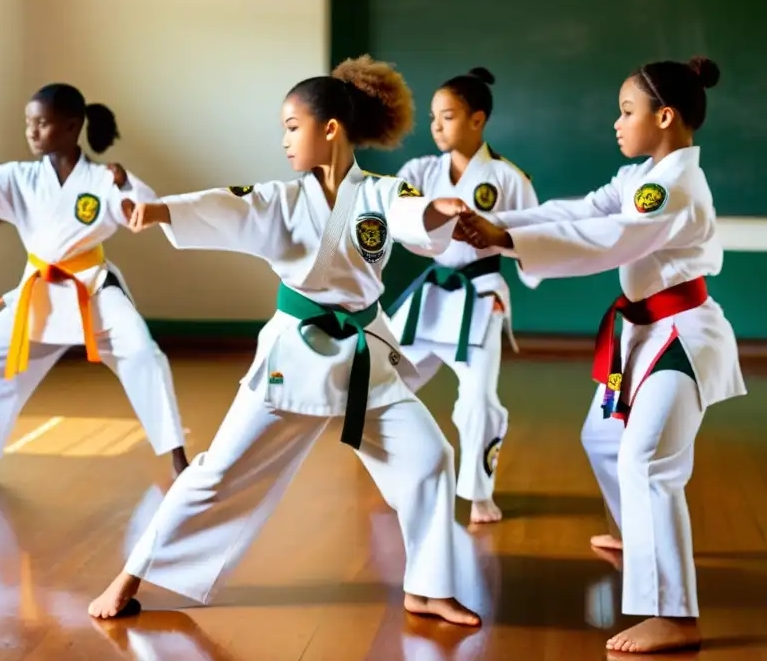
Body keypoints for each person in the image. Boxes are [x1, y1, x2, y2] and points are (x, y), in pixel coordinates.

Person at [88, 56, 481, 628]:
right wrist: (162, 208)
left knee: (428, 456)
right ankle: (130, 574)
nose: (284, 140)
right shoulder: (280, 198)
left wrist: (437, 209)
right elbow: (227, 204)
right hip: (293, 357)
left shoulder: (382, 193)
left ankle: (427, 587)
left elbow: (409, 212)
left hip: (366, 352)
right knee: (217, 472)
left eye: (292, 127)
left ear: (330, 129)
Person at [455, 56, 746, 654]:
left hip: (681, 338)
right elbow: (581, 211)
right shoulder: (645, 175)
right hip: (642, 336)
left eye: (627, 111)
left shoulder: (673, 185)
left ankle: (674, 615)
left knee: (648, 462)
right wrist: (497, 221)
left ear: (664, 117)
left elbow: (609, 237)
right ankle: (640, 539)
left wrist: (504, 239)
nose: (616, 122)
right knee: (604, 438)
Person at [0, 84, 190, 486]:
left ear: (71, 127)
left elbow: (139, 208)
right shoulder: (19, 178)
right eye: (29, 123)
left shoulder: (101, 178)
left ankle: (178, 458)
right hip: (40, 293)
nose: (31, 132)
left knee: (145, 355)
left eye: (42, 124)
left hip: (92, 289)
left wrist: (126, 182)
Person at [387, 67, 540, 524]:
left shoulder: (507, 178)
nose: (436, 126)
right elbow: (395, 214)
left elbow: (537, 234)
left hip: (480, 295)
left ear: (477, 119)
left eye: (447, 116)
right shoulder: (418, 171)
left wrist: (506, 254)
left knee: (476, 399)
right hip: (432, 295)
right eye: (433, 117)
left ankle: (478, 493)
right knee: (380, 380)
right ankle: (401, 477)